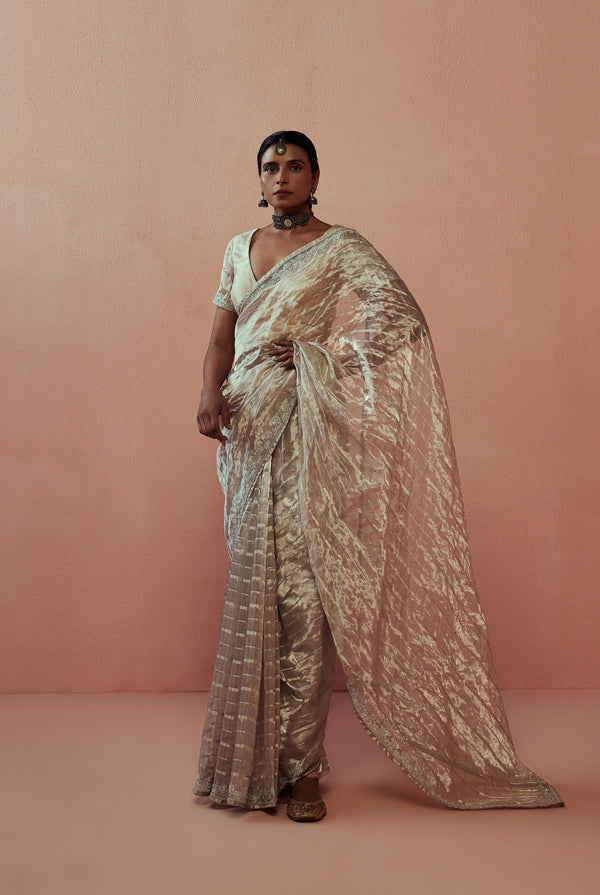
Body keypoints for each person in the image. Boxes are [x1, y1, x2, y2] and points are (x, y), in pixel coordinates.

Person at [193, 130, 564, 822]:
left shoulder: (341, 246)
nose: (281, 176)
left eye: (294, 165)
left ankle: (301, 768)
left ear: (314, 176)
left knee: (303, 597)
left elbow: (401, 320)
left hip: (305, 431)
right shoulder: (237, 247)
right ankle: (251, 760)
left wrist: (316, 351)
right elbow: (221, 335)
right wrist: (209, 394)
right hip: (246, 435)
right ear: (259, 179)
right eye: (270, 167)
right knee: (254, 589)